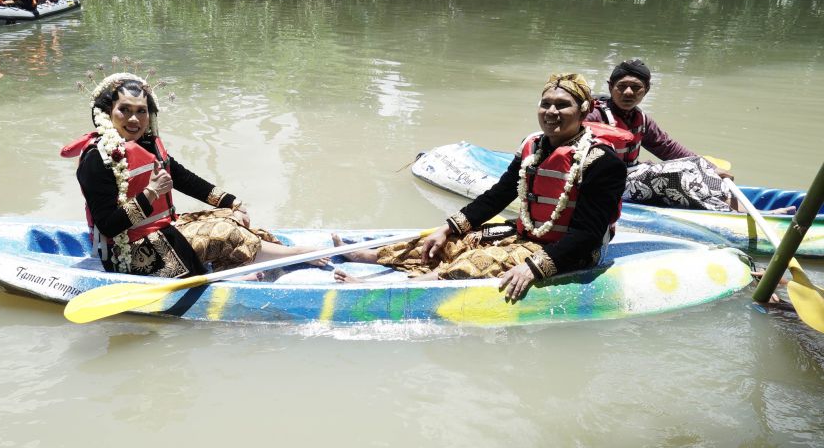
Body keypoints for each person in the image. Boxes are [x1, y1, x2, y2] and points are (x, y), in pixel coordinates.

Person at [334, 73, 627, 301]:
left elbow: (587, 235)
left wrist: (532, 267)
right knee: (452, 241)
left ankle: (393, 290)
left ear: (584, 111)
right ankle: (371, 256)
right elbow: (498, 195)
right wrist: (448, 228)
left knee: (477, 261)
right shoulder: (533, 146)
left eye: (562, 105)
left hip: (572, 251)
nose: (551, 111)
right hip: (525, 233)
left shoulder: (602, 162)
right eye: (545, 104)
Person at [63, 72, 329, 278]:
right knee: (226, 233)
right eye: (125, 110)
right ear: (108, 113)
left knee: (229, 217)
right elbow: (109, 225)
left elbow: (184, 178)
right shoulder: (97, 159)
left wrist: (231, 202)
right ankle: (293, 255)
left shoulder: (146, 145)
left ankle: (256, 260)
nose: (134, 119)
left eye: (141, 111)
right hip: (129, 252)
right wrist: (151, 193)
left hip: (163, 230)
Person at [585, 59, 738, 211]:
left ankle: (729, 203)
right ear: (611, 87)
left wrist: (710, 168)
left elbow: (667, 147)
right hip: (605, 183)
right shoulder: (593, 115)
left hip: (629, 173)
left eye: (636, 87)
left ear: (646, 90)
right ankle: (727, 210)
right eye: (622, 86)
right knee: (677, 175)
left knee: (695, 163)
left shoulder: (641, 119)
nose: (628, 92)